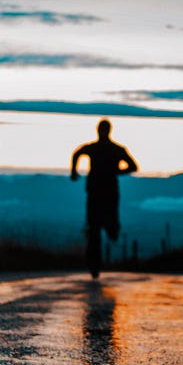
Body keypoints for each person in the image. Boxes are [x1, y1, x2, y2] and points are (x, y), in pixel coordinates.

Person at [70, 119, 138, 278]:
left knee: (98, 227)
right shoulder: (115, 149)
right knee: (95, 228)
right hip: (103, 192)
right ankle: (94, 265)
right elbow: (132, 166)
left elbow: (77, 153)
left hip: (100, 192)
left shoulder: (105, 148)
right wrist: (116, 171)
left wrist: (74, 171)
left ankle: (96, 260)